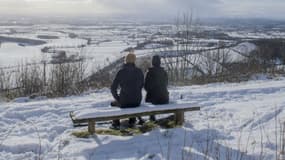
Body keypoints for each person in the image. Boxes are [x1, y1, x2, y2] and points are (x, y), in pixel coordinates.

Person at [110, 52, 144, 129]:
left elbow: (113, 88)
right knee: (131, 102)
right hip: (137, 101)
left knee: (113, 103)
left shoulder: (121, 72)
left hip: (124, 102)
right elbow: (142, 85)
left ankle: (116, 122)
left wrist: (118, 98)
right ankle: (132, 120)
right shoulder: (139, 71)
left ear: (125, 60)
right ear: (134, 60)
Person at [144, 55, 169, 121]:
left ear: (152, 62)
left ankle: (152, 116)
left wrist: (151, 91)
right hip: (164, 98)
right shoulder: (164, 72)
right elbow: (166, 84)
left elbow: (146, 86)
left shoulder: (149, 72)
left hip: (153, 99)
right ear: (160, 62)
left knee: (150, 96)